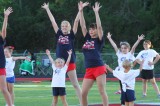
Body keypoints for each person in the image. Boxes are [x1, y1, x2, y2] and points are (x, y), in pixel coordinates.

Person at [42, 2, 82, 104]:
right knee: (57, 85)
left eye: (66, 26)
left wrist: (80, 10)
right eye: (62, 26)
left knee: (75, 85)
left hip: (70, 62)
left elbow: (77, 21)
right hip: (59, 63)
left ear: (68, 27)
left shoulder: (71, 35)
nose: (64, 27)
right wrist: (47, 9)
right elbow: (53, 21)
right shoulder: (59, 33)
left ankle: (83, 103)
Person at [79, 1, 108, 106]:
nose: (91, 31)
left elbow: (100, 27)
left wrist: (96, 12)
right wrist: (81, 11)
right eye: (90, 29)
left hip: (99, 68)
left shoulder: (99, 40)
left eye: (93, 29)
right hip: (89, 69)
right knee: (83, 93)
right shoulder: (87, 38)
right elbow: (82, 26)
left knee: (101, 91)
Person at [107, 32, 144, 105]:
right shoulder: (119, 54)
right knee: (123, 89)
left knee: (128, 88)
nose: (123, 49)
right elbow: (114, 46)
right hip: (122, 74)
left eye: (125, 48)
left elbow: (133, 48)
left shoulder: (130, 54)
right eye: (122, 48)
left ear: (128, 48)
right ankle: (124, 103)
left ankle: (127, 102)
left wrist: (139, 40)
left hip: (128, 74)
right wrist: (109, 38)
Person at [0, 7, 13, 106]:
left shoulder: (0, 39)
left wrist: (6, 17)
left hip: (0, 66)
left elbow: (4, 31)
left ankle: (10, 105)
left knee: (4, 89)